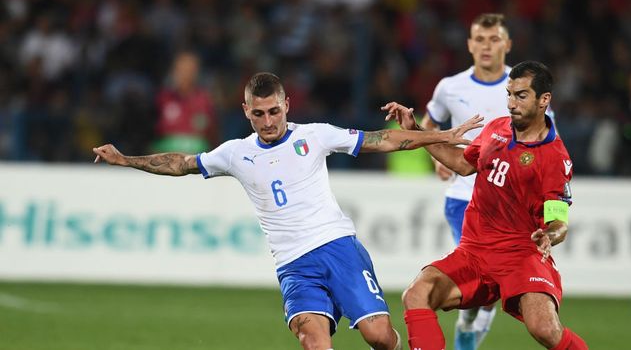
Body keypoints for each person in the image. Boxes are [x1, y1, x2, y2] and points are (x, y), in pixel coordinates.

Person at [92, 72, 484, 350]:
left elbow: (384, 140)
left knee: (379, 336)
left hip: (338, 248)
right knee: (314, 342)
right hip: (294, 265)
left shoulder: (313, 135)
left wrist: (440, 135)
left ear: (286, 105)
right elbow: (180, 162)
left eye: (274, 112)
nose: (268, 121)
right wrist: (127, 160)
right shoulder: (235, 153)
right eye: (258, 114)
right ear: (246, 110)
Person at [383, 61, 588, 350]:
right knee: (417, 294)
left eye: (521, 96)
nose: (511, 104)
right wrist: (416, 131)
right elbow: (461, 164)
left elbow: (559, 222)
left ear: (544, 100)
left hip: (521, 255)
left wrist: (549, 235)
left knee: (544, 328)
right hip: (475, 253)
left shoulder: (555, 157)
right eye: (509, 94)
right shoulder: (496, 129)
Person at [420, 13, 512, 349]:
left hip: (508, 201)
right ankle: (466, 337)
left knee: (492, 287)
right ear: (470, 45)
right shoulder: (450, 87)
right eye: (480, 39)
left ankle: (468, 324)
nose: (487, 46)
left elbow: (546, 136)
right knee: (479, 275)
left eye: (494, 39)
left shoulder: (522, 85)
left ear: (507, 44)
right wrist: (436, 155)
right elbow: (429, 124)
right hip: (464, 197)